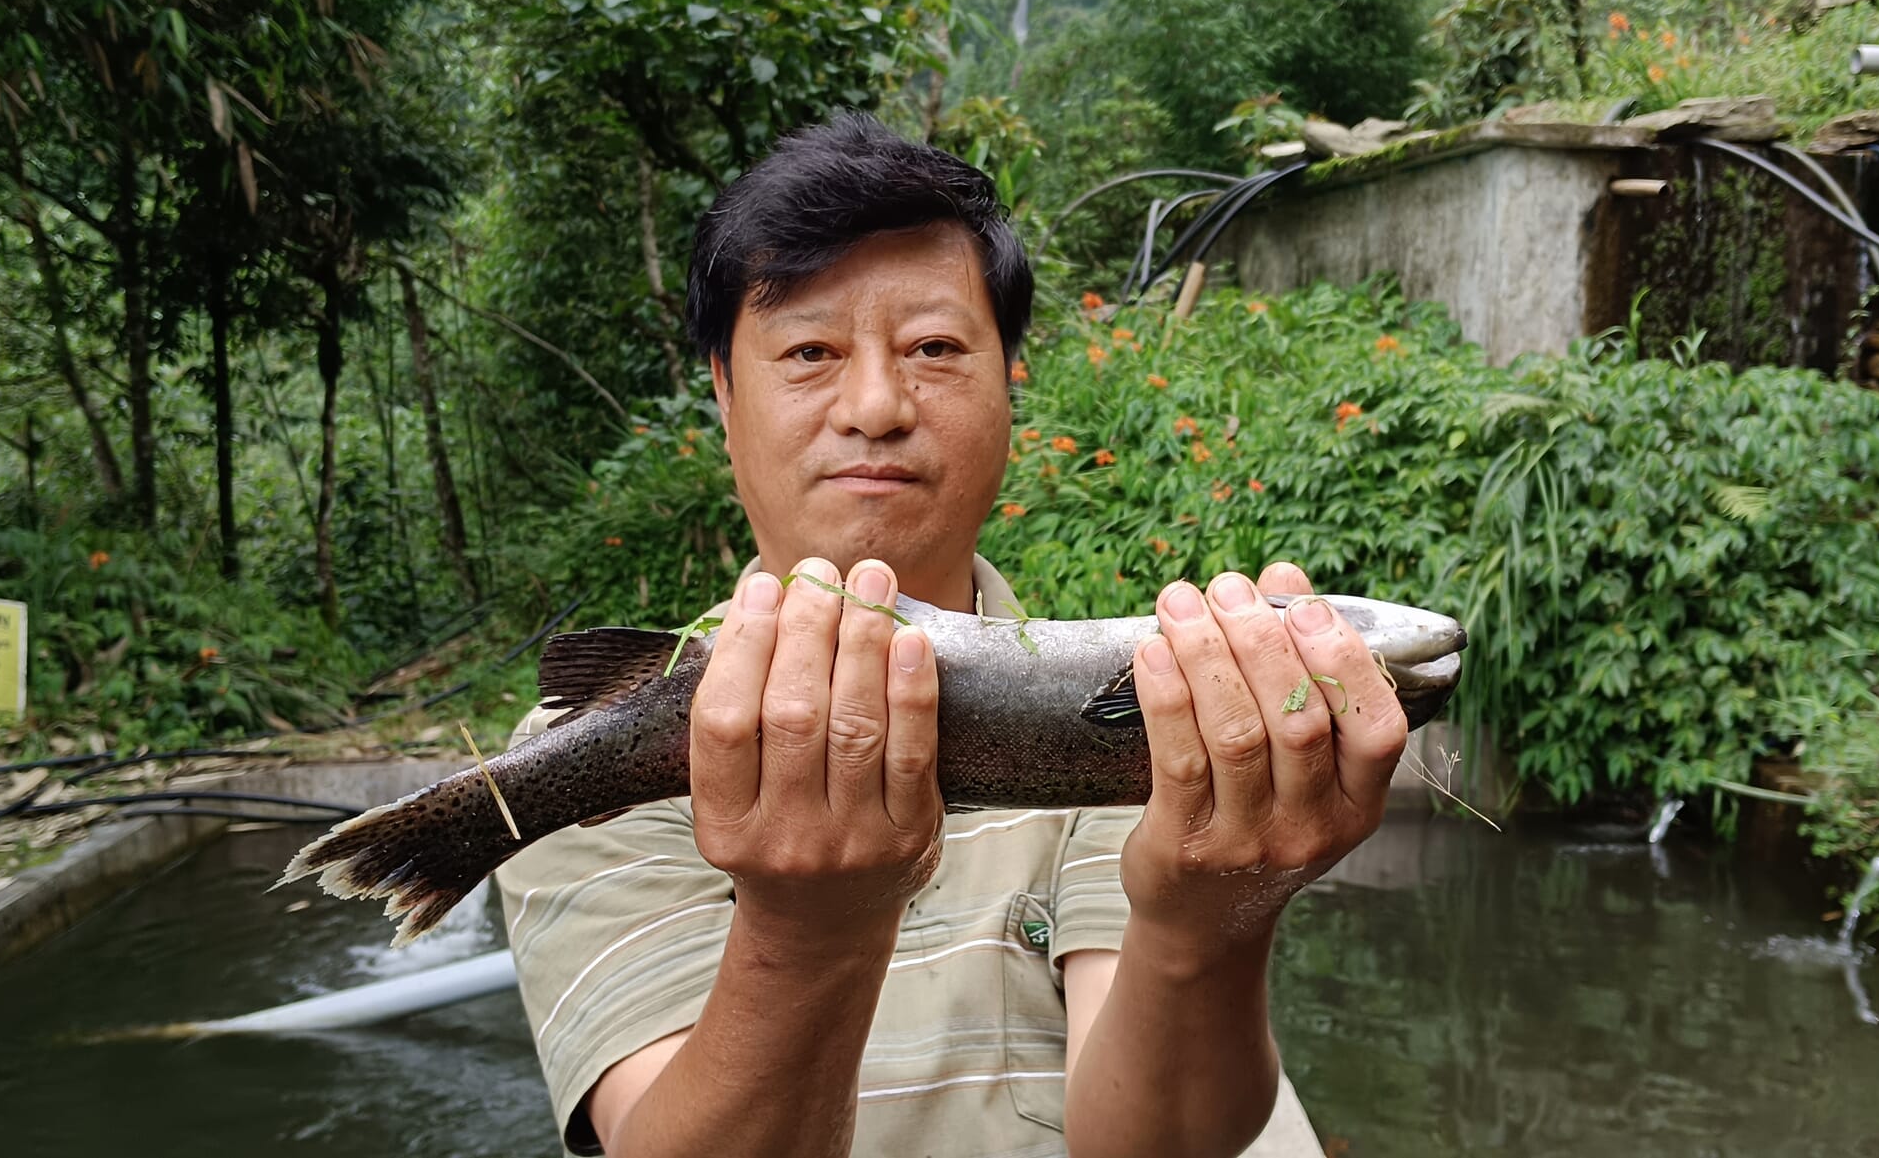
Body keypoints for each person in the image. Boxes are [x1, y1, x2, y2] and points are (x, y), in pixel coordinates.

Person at [492, 110, 1409, 1158]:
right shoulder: (592, 751)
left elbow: (1154, 1143)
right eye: (808, 350)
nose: (876, 404)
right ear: (722, 388)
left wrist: (1211, 917)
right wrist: (809, 933)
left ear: (1009, 383)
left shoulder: (1125, 707)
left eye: (933, 347)